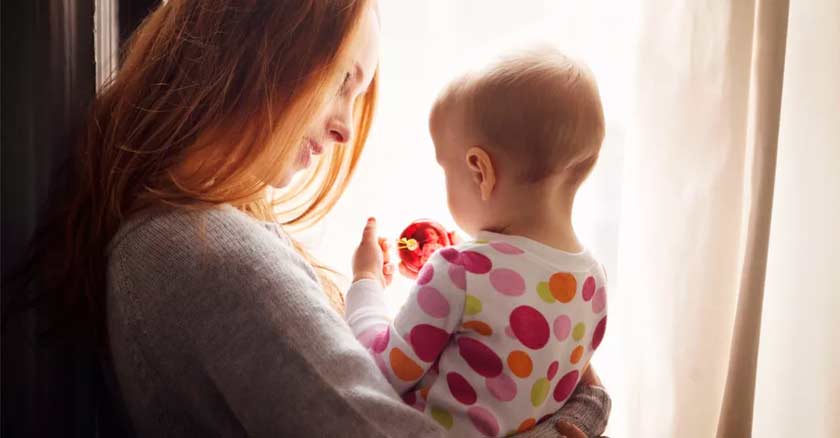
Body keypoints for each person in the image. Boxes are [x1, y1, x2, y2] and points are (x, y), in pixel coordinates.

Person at [10, 1, 609, 436]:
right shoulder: (203, 253)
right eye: (344, 81)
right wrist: (580, 414)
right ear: (263, 49)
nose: (347, 127)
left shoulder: (199, 238)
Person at [346, 48, 609, 437]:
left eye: (444, 168)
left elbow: (380, 372)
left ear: (479, 170)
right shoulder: (593, 284)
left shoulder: (458, 271)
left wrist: (365, 281)